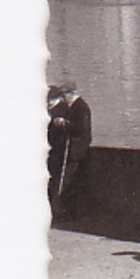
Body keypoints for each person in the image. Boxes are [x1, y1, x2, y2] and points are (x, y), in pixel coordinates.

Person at [46, 83, 92, 223]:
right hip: (71, 149)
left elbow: (81, 128)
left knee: (66, 181)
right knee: (64, 180)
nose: (63, 99)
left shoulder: (81, 107)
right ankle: (62, 212)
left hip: (75, 150)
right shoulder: (74, 107)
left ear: (71, 94)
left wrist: (64, 123)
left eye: (64, 95)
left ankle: (63, 213)